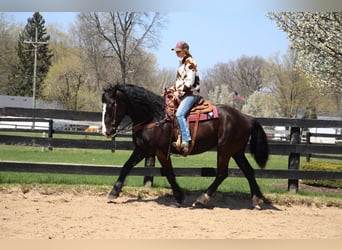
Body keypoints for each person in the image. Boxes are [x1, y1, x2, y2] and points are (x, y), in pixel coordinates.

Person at [169, 41, 201, 152]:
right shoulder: (181, 64)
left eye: (178, 51)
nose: (176, 53)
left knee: (180, 114)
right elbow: (178, 82)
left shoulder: (190, 62)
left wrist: (179, 91)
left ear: (185, 51)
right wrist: (170, 90)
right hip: (183, 94)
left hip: (191, 94)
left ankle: (186, 140)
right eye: (176, 51)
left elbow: (190, 82)